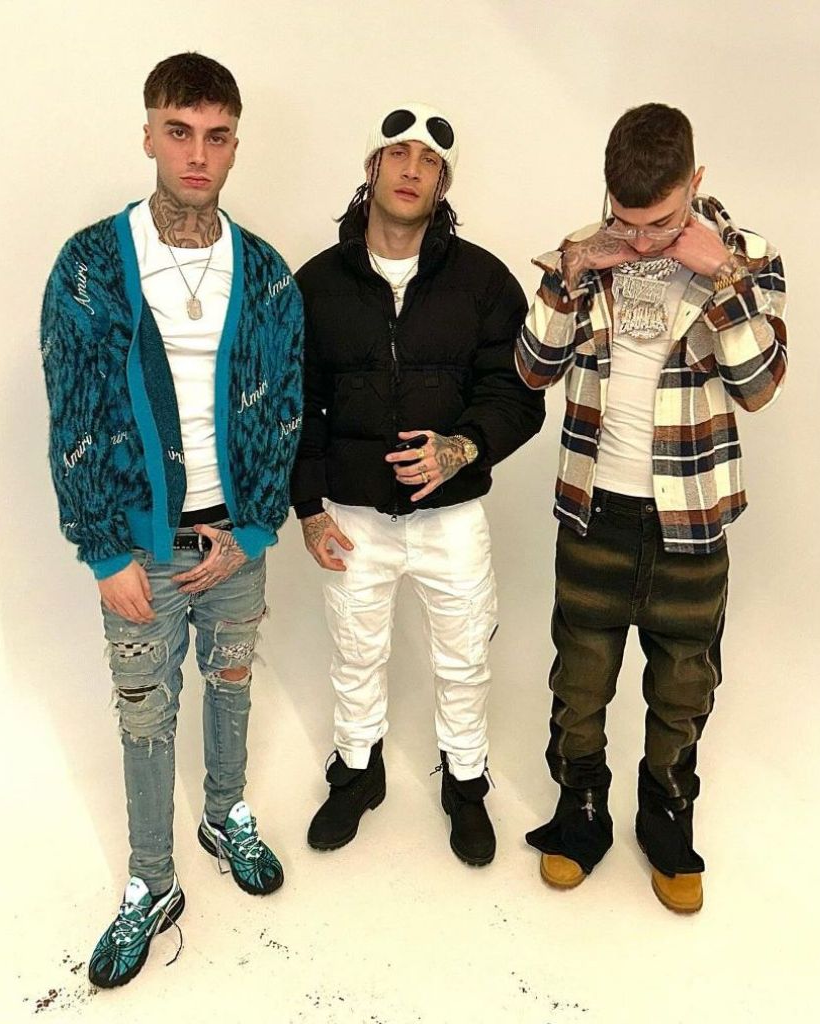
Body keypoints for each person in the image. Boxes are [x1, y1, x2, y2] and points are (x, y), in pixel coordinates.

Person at [39, 52, 302, 986]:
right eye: (179, 132)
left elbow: (283, 409)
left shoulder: (264, 274)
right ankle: (151, 881)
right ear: (148, 133)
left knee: (232, 685)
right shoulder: (89, 265)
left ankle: (224, 814)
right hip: (139, 551)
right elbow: (72, 409)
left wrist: (254, 533)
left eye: (216, 136)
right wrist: (103, 548)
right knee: (145, 716)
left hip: (235, 541)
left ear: (235, 145)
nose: (198, 154)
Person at [516, 103, 787, 912]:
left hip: (691, 515)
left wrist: (722, 278)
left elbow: (758, 387)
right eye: (624, 221)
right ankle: (581, 809)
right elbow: (532, 369)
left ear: (694, 183)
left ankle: (665, 816)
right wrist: (570, 271)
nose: (638, 242)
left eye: (660, 223)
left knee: (683, 682)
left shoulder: (748, 258)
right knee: (579, 679)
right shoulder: (585, 249)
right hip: (594, 506)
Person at [291, 103, 545, 867]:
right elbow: (293, 404)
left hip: (450, 518)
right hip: (351, 515)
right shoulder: (315, 284)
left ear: (443, 183)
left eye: (429, 161)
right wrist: (307, 509)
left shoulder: (483, 281)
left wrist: (461, 448)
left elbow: (518, 393)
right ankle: (356, 772)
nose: (411, 170)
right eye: (397, 155)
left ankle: (464, 783)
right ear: (371, 169)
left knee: (464, 656)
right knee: (355, 651)